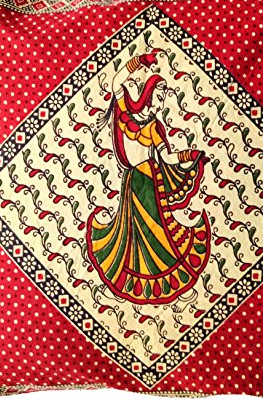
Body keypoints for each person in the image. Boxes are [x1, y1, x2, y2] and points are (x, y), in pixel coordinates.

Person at [86, 52, 211, 305]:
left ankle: (174, 280)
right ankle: (125, 281)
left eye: (164, 98)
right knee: (129, 233)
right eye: (160, 97)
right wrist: (138, 62)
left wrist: (190, 156)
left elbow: (168, 158)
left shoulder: (155, 127)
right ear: (149, 94)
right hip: (132, 181)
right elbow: (116, 82)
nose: (161, 103)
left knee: (157, 233)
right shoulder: (125, 112)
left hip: (150, 182)